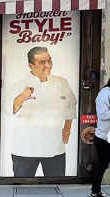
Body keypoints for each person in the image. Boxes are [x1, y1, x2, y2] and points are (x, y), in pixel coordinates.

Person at [5, 46, 77, 177]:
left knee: (57, 187)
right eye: (42, 62)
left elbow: (71, 104)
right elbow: (9, 109)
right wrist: (23, 96)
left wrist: (67, 127)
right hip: (25, 149)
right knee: (22, 188)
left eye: (49, 61)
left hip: (55, 146)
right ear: (31, 66)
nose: (48, 65)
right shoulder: (20, 85)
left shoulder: (61, 83)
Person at [91, 79, 110, 197]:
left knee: (102, 165)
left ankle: (95, 192)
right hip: (104, 138)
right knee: (101, 166)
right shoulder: (105, 93)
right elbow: (102, 114)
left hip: (106, 137)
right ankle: (94, 193)